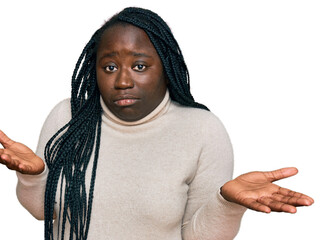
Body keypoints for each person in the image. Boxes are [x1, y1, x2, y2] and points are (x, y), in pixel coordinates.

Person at [0, 7, 314, 240]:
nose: (122, 80)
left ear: (166, 67)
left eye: (139, 66)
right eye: (109, 66)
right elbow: (44, 212)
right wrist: (34, 177)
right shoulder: (68, 117)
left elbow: (198, 237)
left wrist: (226, 203)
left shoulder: (202, 130)